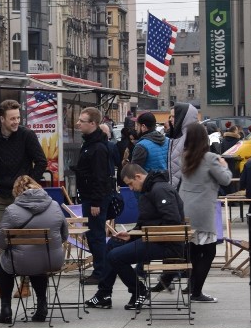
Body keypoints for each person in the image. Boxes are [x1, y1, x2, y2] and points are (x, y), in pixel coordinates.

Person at [85, 164, 185, 311]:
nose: (130, 188)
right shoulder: (150, 190)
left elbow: (172, 221)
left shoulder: (160, 189)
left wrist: (140, 233)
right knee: (113, 243)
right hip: (155, 239)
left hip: (166, 244)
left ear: (138, 176)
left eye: (130, 184)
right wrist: (131, 235)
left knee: (115, 256)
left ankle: (139, 291)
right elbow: (147, 221)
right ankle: (103, 294)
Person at [0, 99, 48, 300]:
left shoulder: (26, 135)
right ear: (2, 119)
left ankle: (25, 284)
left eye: (18, 117)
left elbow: (41, 161)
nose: (16, 121)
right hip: (1, 194)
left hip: (23, 197)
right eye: (12, 118)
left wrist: (28, 182)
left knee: (24, 240)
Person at [0, 176, 68, 324]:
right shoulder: (54, 205)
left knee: (5, 263)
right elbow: (64, 236)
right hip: (52, 260)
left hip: (21, 262)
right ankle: (42, 305)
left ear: (16, 192)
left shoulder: (12, 210)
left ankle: (6, 309)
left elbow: (0, 242)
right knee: (38, 261)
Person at [178, 123, 232, 303]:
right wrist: (224, 165)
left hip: (186, 209)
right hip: (203, 211)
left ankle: (191, 286)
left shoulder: (184, 156)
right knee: (208, 252)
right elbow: (225, 180)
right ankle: (197, 292)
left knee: (193, 251)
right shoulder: (210, 158)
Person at [73, 107, 115, 286]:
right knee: (93, 235)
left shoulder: (97, 147)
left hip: (95, 198)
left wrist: (96, 202)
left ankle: (101, 271)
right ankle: (101, 269)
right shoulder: (90, 142)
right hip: (90, 196)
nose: (78, 123)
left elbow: (100, 177)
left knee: (96, 235)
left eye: (82, 121)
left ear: (93, 123)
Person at [168, 103, 199, 189]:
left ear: (183, 117)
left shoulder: (192, 137)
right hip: (177, 188)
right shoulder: (179, 136)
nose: (170, 119)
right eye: (170, 116)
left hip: (186, 190)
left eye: (174, 117)